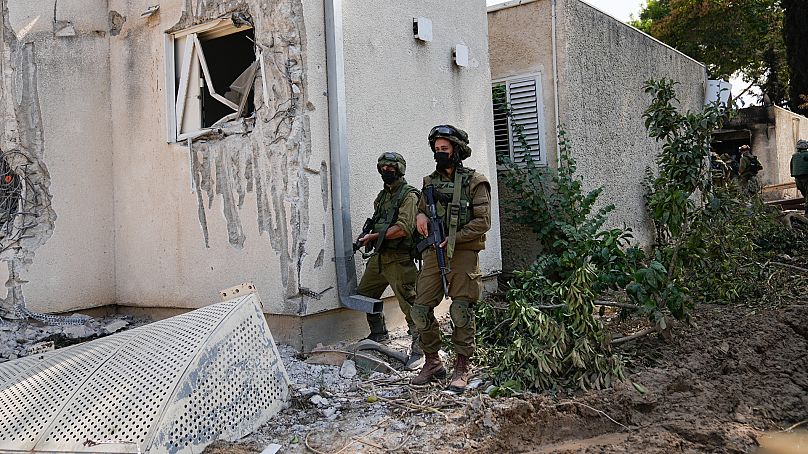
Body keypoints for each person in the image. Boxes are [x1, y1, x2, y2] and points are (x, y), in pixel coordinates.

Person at [410, 125, 491, 393]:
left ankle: (462, 366)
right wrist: (420, 216)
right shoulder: (429, 182)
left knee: (460, 309)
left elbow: (483, 221)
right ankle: (433, 362)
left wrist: (455, 238)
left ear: (457, 150)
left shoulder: (475, 181)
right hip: (435, 252)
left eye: (444, 149)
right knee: (419, 309)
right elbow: (421, 209)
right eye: (436, 149)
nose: (439, 153)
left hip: (463, 253)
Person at [356, 152, 423, 368]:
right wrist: (367, 238)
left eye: (390, 168)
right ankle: (379, 333)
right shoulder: (382, 196)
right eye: (383, 168)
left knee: (409, 302)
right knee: (365, 295)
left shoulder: (409, 196)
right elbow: (378, 222)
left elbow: (404, 228)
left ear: (400, 170)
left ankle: (421, 347)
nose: (386, 171)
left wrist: (374, 237)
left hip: (399, 258)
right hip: (380, 256)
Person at [791, 139, 808, 215]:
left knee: (805, 194)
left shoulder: (794, 156)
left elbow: (791, 167)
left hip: (797, 179)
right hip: (806, 178)